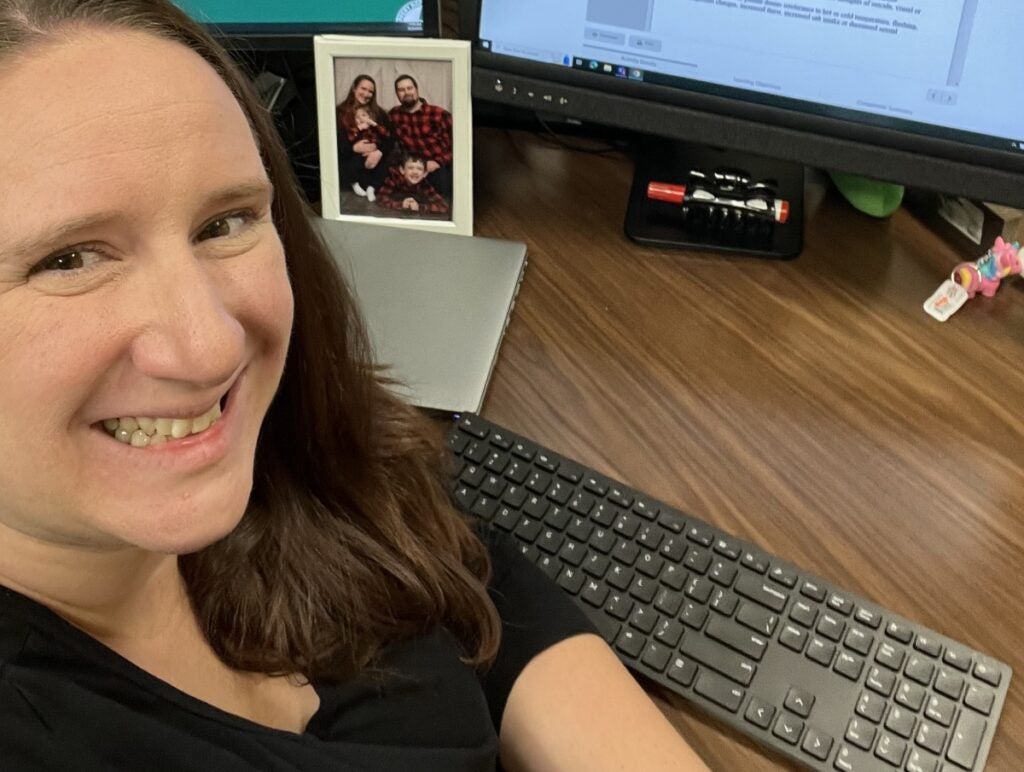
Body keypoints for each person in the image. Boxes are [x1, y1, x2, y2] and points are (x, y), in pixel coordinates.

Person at [0, 2, 710, 770]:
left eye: (225, 222)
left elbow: (463, 569)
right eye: (69, 261)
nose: (210, 347)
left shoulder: (278, 448)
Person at [388, 73, 454, 200]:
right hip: (411, 167)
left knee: (443, 199)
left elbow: (459, 146)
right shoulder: (394, 115)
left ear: (417, 90)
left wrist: (438, 162)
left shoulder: (439, 114)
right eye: (401, 90)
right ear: (397, 94)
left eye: (409, 88)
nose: (406, 92)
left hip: (437, 165)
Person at [335, 74, 393, 203]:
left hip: (375, 165)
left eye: (371, 91)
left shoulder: (379, 114)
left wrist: (379, 152)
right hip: (349, 167)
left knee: (385, 170)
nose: (366, 94)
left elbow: (390, 139)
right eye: (363, 89)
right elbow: (333, 144)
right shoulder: (338, 112)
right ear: (354, 88)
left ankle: (372, 188)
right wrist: (353, 148)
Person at [377, 152, 450, 216]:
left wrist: (419, 207)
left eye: (419, 169)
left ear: (425, 173)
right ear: (402, 170)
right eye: (411, 168)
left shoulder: (424, 185)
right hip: (393, 213)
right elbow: (380, 198)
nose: (415, 172)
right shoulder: (394, 179)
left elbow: (443, 206)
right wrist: (401, 204)